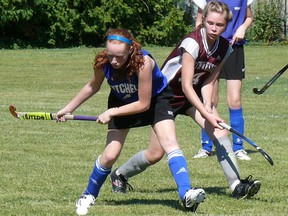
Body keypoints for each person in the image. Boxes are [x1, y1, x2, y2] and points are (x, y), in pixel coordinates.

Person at [109, 1, 261, 201]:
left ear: (227, 25)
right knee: (156, 153)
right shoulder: (192, 43)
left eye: (220, 25)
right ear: (203, 21)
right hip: (164, 98)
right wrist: (207, 113)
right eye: (210, 23)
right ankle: (119, 175)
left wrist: (208, 106)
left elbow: (209, 79)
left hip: (190, 98)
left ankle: (236, 186)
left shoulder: (226, 48)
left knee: (220, 132)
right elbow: (187, 86)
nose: (214, 28)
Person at [56, 28, 206, 216]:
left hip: (155, 100)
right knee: (110, 155)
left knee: (169, 143)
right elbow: (92, 86)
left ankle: (186, 193)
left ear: (130, 50)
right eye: (110, 55)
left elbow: (144, 104)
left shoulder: (144, 63)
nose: (114, 61)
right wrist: (69, 108)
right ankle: (87, 195)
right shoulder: (103, 62)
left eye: (119, 56)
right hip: (121, 100)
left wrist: (112, 112)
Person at [192, 0, 255, 160]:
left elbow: (249, 17)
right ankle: (206, 146)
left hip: (235, 48)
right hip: (211, 49)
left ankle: (238, 147)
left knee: (235, 100)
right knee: (210, 99)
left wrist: (242, 28)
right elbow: (199, 21)